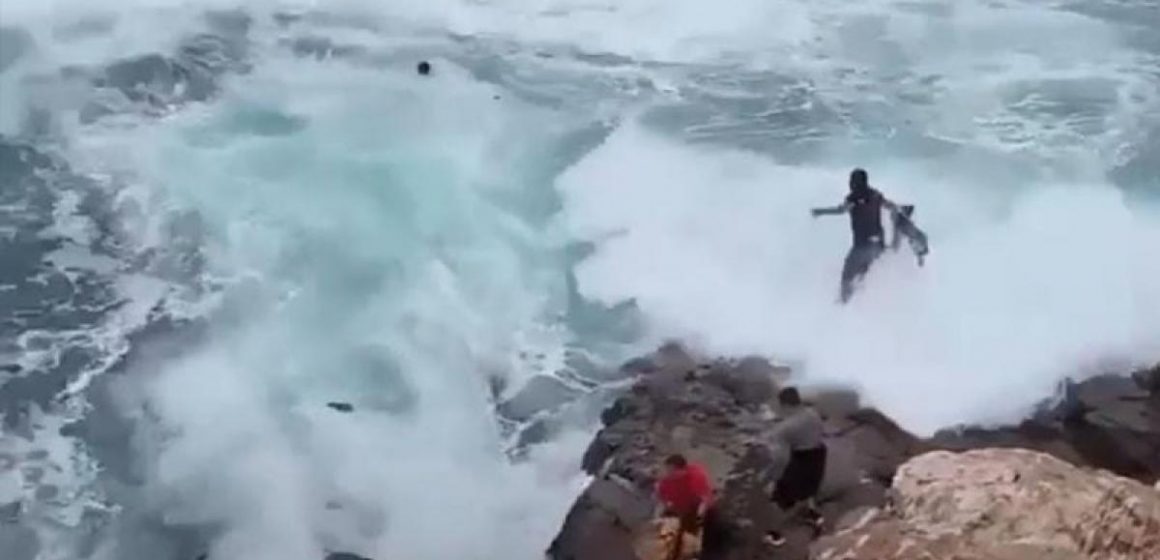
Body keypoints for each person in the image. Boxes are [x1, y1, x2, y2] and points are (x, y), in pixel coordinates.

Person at [811, 168, 901, 303]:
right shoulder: (876, 195)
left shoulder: (853, 198)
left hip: (862, 247)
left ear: (855, 183)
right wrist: (896, 232)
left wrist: (820, 212)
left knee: (847, 279)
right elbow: (893, 207)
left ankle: (842, 307)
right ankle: (860, 307)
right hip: (878, 246)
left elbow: (841, 210)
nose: (849, 184)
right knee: (862, 278)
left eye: (851, 181)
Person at [764, 387, 827, 546]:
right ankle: (813, 514)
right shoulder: (814, 414)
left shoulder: (785, 428)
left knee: (777, 500)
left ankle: (775, 535)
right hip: (818, 456)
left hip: (801, 461)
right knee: (810, 487)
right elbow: (819, 434)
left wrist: (770, 478)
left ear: (784, 405)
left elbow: (780, 459)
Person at [655, 454, 726, 559]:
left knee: (711, 521)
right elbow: (662, 500)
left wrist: (700, 514)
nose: (668, 473)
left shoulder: (695, 476)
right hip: (680, 511)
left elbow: (705, 498)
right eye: (667, 470)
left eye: (671, 470)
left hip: (697, 508)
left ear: (681, 470)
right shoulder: (665, 483)